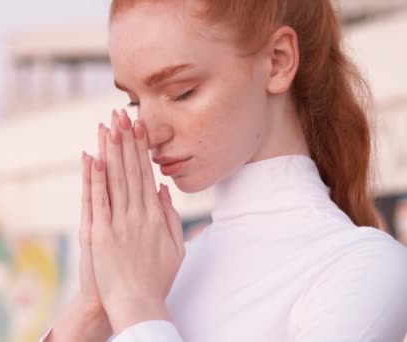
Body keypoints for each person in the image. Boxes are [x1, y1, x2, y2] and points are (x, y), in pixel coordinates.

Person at [42, 0, 407, 341]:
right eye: (134, 102)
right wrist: (93, 309)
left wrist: (137, 307)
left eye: (180, 91)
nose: (149, 133)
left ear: (278, 61)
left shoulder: (362, 268)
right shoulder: (164, 275)